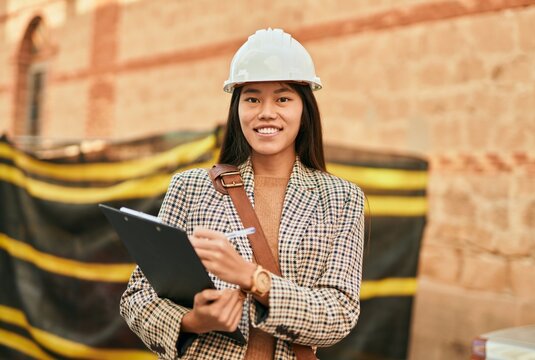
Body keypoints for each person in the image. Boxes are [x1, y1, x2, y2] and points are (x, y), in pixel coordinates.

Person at [120, 28, 364, 360]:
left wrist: (252, 277)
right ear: (237, 108)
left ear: (304, 108)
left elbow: (339, 315)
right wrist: (193, 320)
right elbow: (137, 298)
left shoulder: (342, 198)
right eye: (252, 98)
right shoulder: (190, 188)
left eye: (282, 98)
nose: (266, 112)